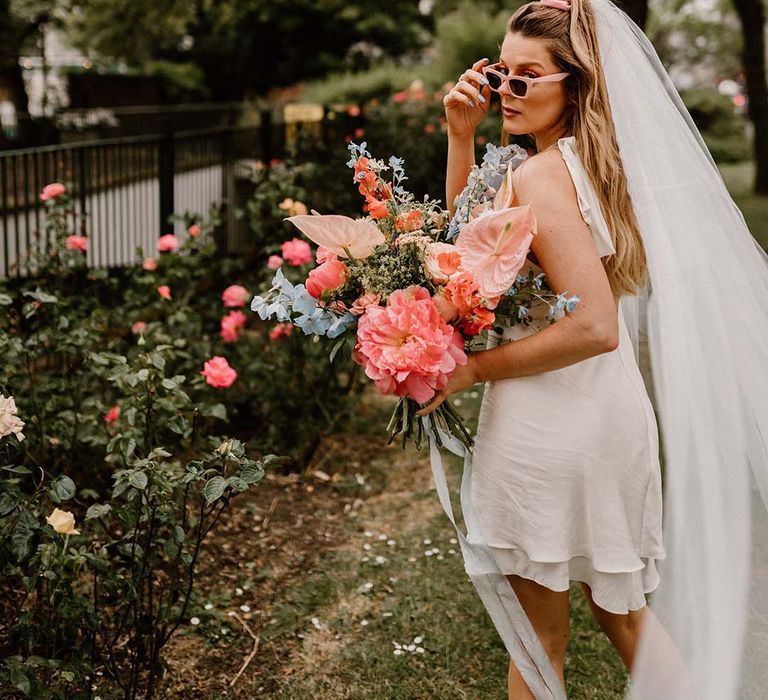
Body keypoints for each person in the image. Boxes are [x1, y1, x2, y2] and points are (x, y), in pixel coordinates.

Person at [415, 0, 768, 698]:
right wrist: (463, 137)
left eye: (527, 78)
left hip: (554, 420)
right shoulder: (582, 164)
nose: (505, 92)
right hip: (603, 413)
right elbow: (472, 269)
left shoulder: (543, 176)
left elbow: (595, 326)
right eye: (499, 75)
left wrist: (468, 370)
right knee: (625, 619)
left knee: (538, 637)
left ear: (573, 85)